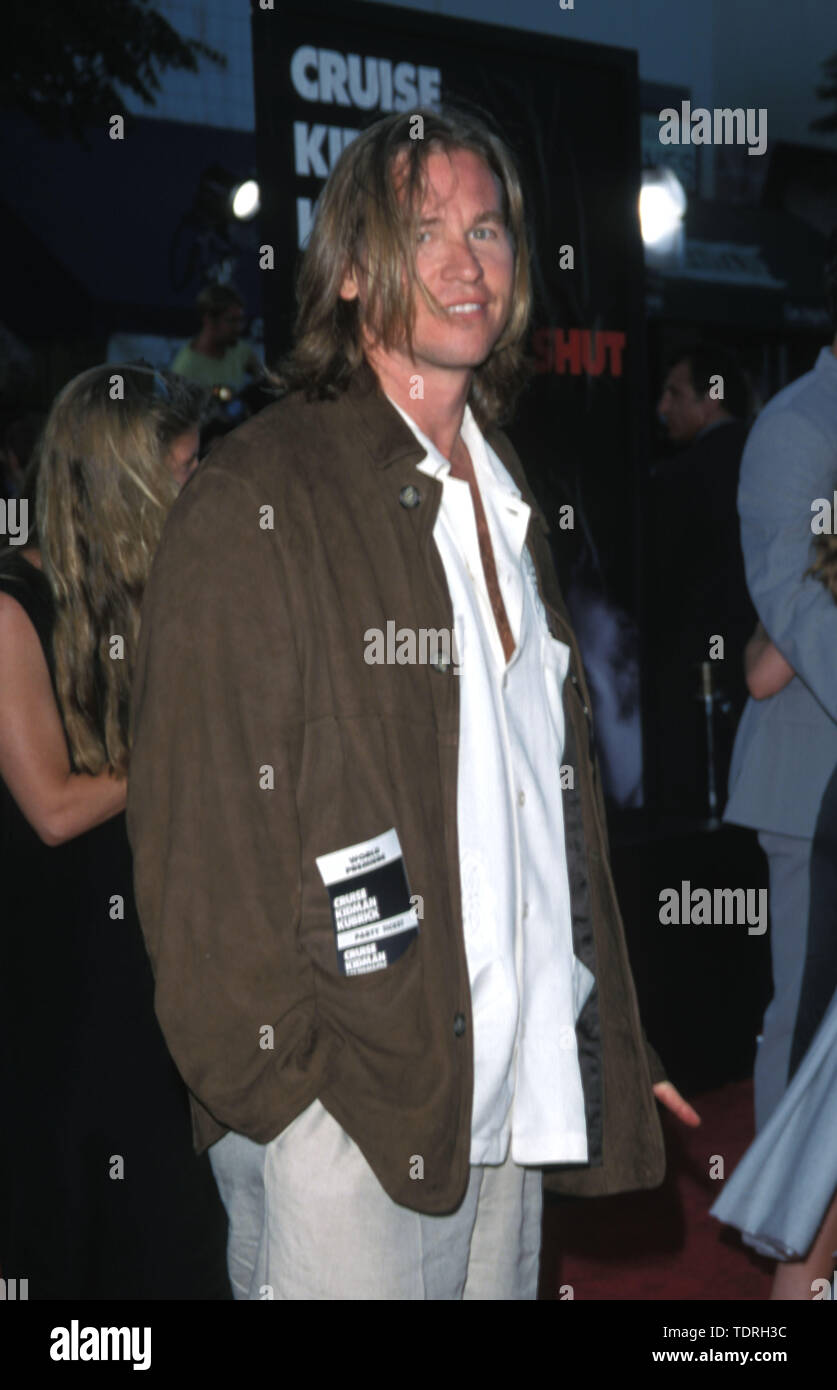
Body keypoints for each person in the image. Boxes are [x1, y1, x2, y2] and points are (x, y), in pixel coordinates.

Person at [127, 106, 698, 1303]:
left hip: (493, 1094)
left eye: (485, 227)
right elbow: (201, 845)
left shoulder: (502, 496)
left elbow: (546, 814)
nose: (463, 258)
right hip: (343, 1113)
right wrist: (291, 1096)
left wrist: (594, 1034)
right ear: (347, 266)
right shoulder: (258, 494)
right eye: (422, 227)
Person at [0, 364, 231, 1299]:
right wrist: (178, 749)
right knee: (69, 1237)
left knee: (171, 1235)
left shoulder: (156, 587)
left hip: (149, 960)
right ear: (124, 477)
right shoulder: (14, 602)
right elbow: (52, 807)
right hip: (49, 986)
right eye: (180, 468)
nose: (196, 485)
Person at [725, 229, 837, 1132]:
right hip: (810, 787)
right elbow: (794, 597)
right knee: (805, 1019)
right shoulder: (796, 427)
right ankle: (788, 1249)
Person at [711, 558, 837, 1298]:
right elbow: (759, 672)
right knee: (806, 1043)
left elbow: (759, 670)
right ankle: (791, 1227)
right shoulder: (809, 578)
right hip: (809, 814)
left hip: (813, 812)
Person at [649, 343, 755, 815]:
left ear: (712, 396)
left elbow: (661, 589)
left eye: (674, 393)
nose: (662, 408)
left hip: (695, 685)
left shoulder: (680, 479)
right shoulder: (769, 456)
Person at [171, 283, 262, 393]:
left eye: (241, 320)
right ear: (209, 320)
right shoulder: (184, 369)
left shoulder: (240, 349)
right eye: (232, 320)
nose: (239, 328)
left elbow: (261, 373)